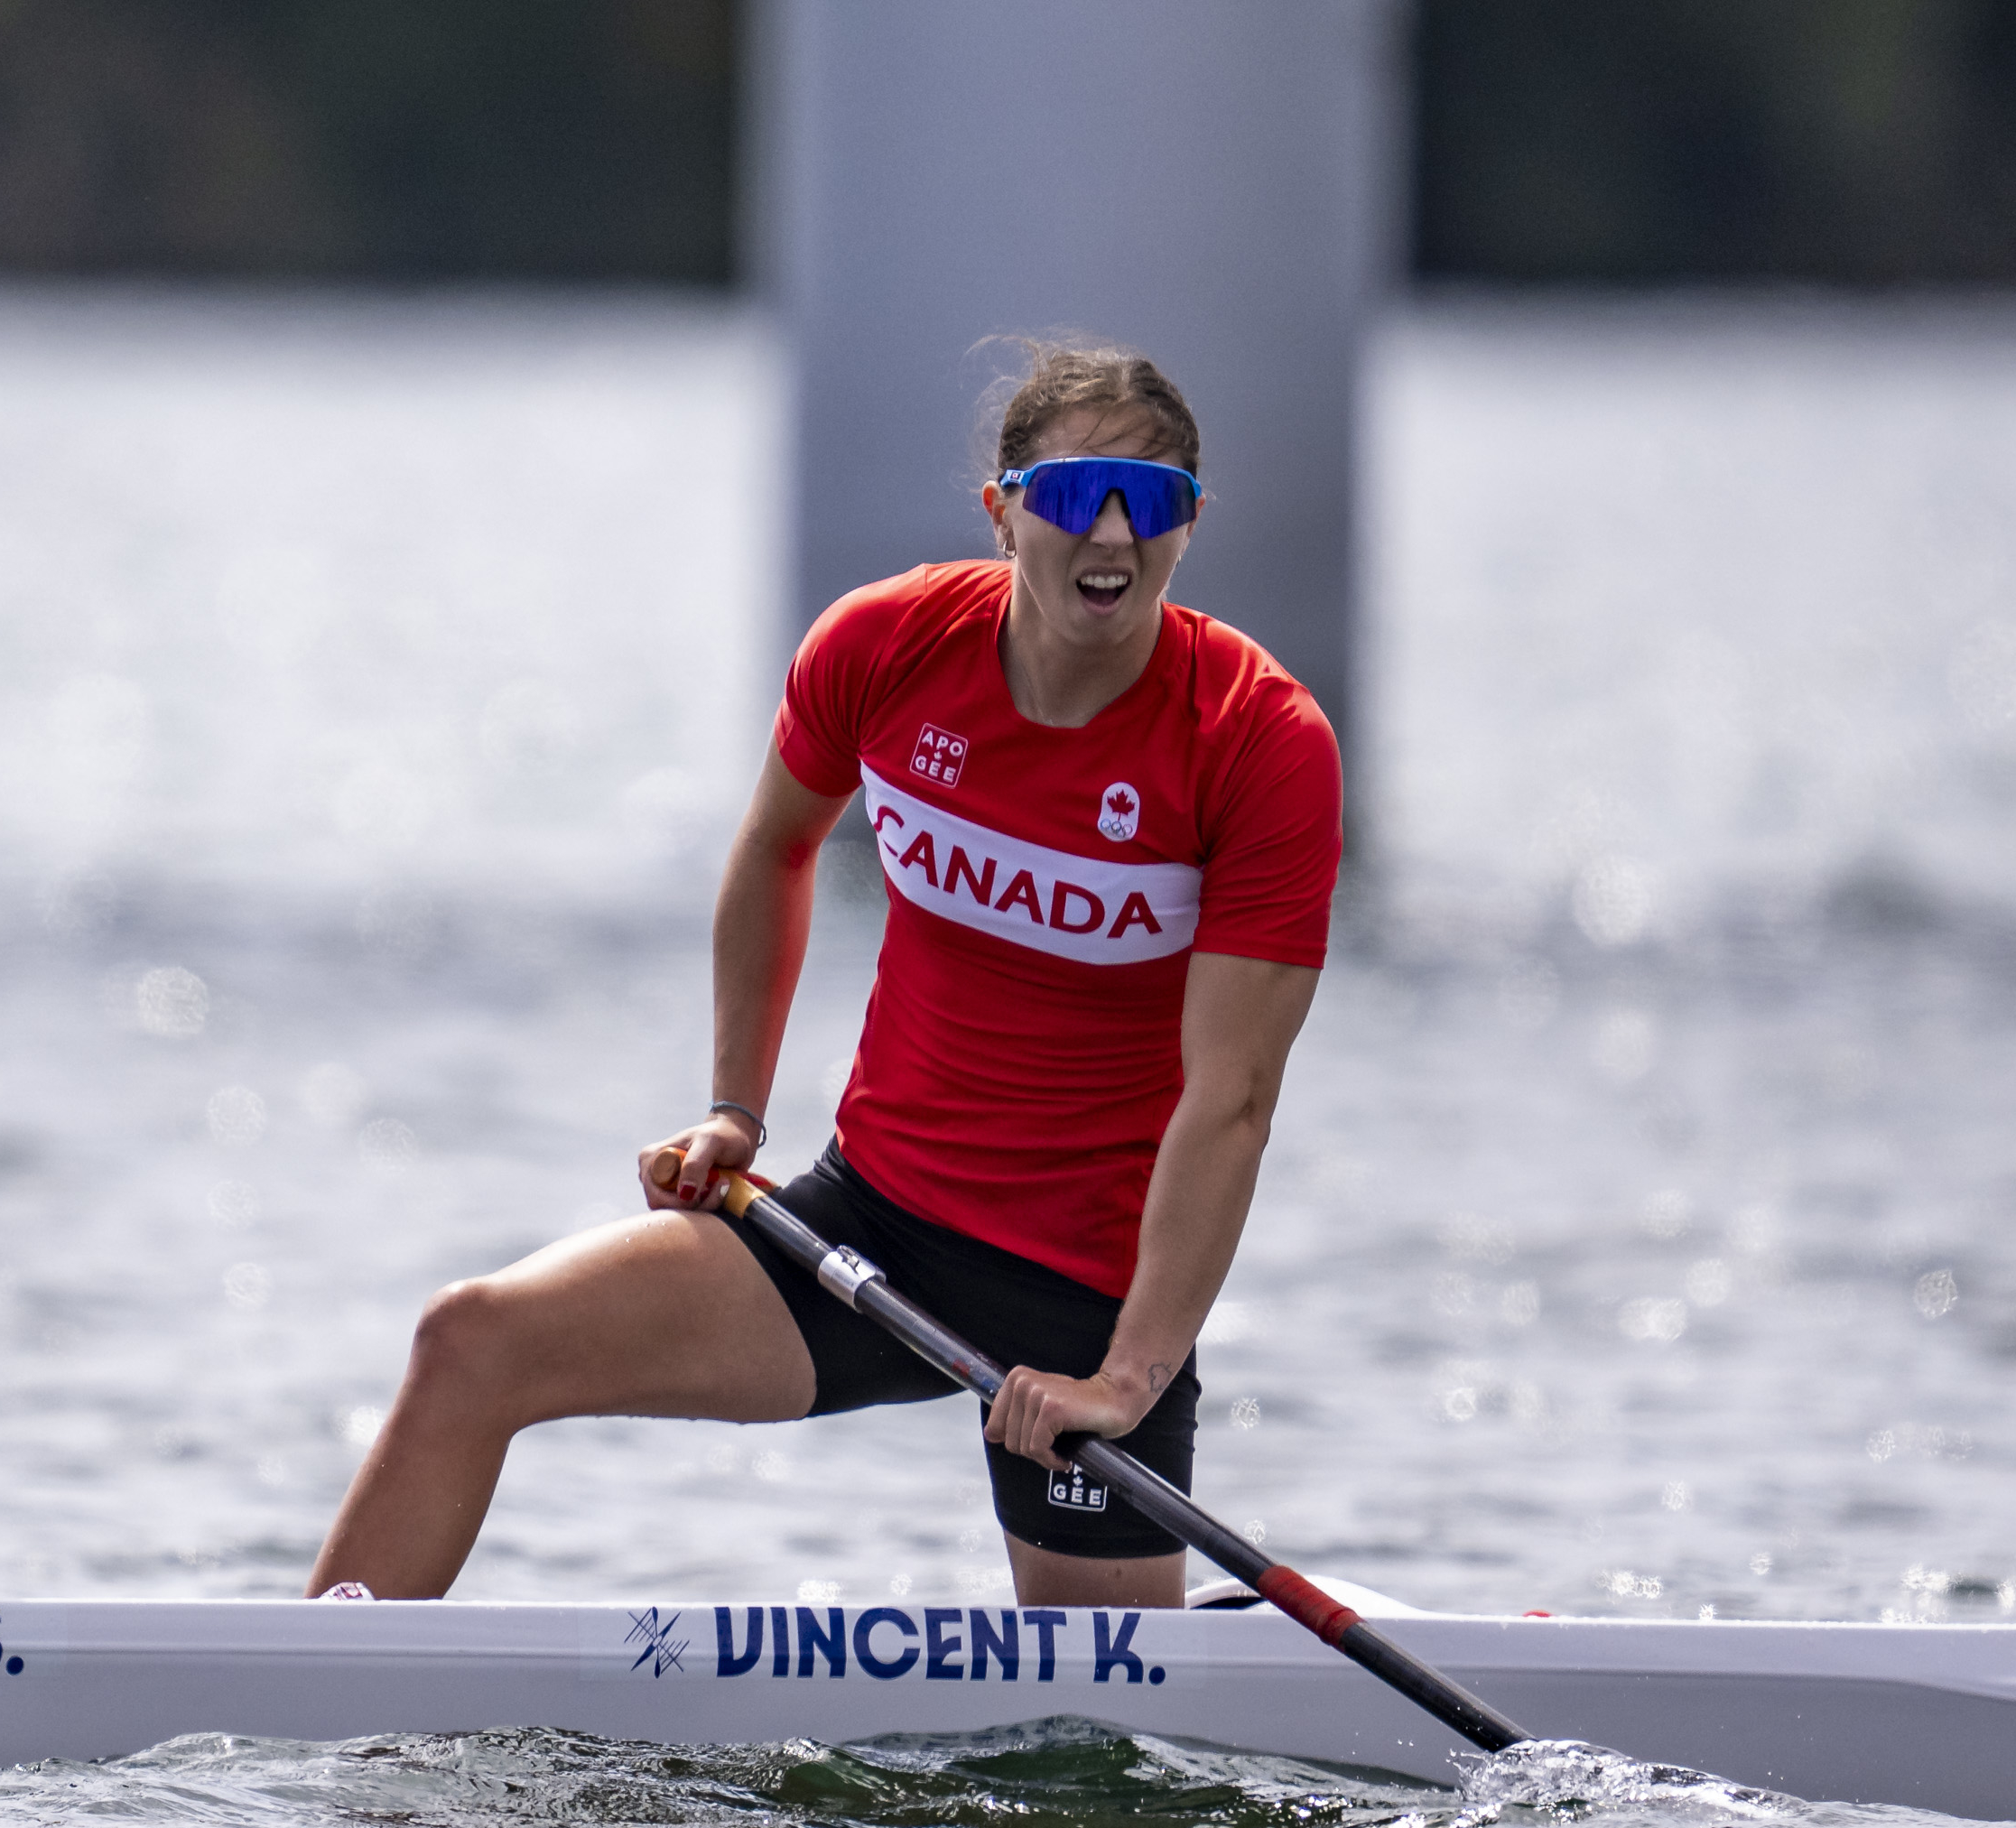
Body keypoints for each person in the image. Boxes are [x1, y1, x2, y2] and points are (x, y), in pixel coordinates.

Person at [306, 341, 1338, 1610]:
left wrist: (1127, 1377)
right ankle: (299, 1738)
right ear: (1003, 510)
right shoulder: (887, 646)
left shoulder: (1259, 743)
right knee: (472, 1340)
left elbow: (1232, 1100)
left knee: (1093, 1771)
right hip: (866, 1236)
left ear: (1187, 527)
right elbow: (776, 846)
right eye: (1073, 494)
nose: (1111, 531)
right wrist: (736, 1107)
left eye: (1155, 499)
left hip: (1095, 1296)